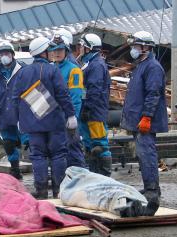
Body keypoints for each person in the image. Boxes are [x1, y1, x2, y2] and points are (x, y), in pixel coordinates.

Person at [12, 36, 77, 198]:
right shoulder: (52, 70)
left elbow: (14, 98)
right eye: (49, 50)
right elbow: (63, 95)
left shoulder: (22, 73)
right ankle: (58, 191)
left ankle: (41, 191)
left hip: (32, 125)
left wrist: (18, 119)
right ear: (44, 52)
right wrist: (70, 115)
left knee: (38, 156)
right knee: (58, 155)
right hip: (54, 122)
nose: (52, 53)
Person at [121, 31, 168, 216]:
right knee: (143, 157)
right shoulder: (141, 66)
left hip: (145, 123)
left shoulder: (153, 67)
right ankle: (150, 190)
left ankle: (152, 194)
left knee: (147, 157)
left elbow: (153, 93)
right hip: (137, 122)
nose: (133, 49)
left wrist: (147, 117)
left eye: (136, 46)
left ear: (146, 47)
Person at [0, 41, 28, 179]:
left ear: (12, 54)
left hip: (22, 115)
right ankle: (15, 170)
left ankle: (41, 173)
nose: (5, 56)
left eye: (7, 53)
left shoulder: (23, 71)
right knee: (9, 144)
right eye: (2, 54)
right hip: (3, 115)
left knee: (29, 143)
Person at [48, 34, 86, 168]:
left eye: (60, 50)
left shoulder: (73, 70)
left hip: (68, 117)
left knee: (73, 151)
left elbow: (75, 96)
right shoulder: (51, 68)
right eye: (54, 50)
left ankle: (80, 180)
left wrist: (73, 117)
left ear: (66, 51)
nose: (57, 53)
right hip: (55, 118)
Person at [77, 33, 112, 176]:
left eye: (81, 46)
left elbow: (94, 88)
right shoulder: (90, 64)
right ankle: (95, 175)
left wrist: (87, 108)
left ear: (88, 48)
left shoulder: (96, 65)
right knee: (90, 144)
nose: (79, 49)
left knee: (100, 145)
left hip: (95, 113)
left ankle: (104, 177)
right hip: (89, 111)